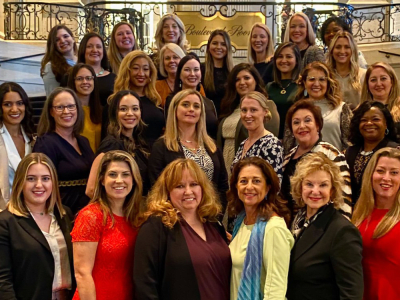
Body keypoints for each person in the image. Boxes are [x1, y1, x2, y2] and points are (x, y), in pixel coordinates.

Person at [134, 158, 231, 300]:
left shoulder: (214, 223)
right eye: (179, 186)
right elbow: (144, 284)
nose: (188, 191)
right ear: (167, 191)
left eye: (194, 184)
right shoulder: (155, 227)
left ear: (202, 188)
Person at [287, 152, 363, 300]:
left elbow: (352, 293)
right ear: (300, 187)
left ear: (332, 190)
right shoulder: (298, 221)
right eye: (309, 184)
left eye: (323, 185)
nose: (315, 191)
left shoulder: (343, 231)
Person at [0, 153, 75, 300]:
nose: (39, 185)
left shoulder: (64, 214)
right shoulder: (6, 222)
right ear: (20, 182)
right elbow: (3, 281)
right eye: (31, 178)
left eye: (45, 178)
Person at [72, 150, 142, 300]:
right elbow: (82, 273)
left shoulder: (137, 217)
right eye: (112, 174)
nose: (119, 180)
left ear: (134, 179)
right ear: (102, 180)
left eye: (125, 174)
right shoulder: (90, 216)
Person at [149, 89, 228, 211]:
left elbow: (222, 185)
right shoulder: (161, 146)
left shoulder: (211, 146)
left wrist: (215, 214)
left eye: (196, 106)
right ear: (175, 110)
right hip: (176, 217)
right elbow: (157, 187)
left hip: (210, 215)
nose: (191, 109)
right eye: (185, 105)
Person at [228, 157, 294, 300]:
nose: (249, 187)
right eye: (243, 181)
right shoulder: (241, 222)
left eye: (256, 181)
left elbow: (276, 291)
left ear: (268, 187)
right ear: (236, 187)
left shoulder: (274, 228)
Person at [282, 99, 352, 219]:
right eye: (296, 122)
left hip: (323, 227)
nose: (302, 126)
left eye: (307, 120)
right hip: (292, 227)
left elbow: (343, 201)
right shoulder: (288, 157)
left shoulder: (331, 154)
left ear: (318, 125)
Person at [33, 87, 94, 214]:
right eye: (60, 107)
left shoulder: (83, 141)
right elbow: (41, 185)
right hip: (62, 212)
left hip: (87, 211)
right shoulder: (46, 144)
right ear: (51, 111)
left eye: (71, 106)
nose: (66, 111)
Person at [352, 147, 400, 299]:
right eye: (380, 171)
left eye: (394, 172)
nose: (386, 178)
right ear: (371, 175)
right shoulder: (359, 214)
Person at [218, 63, 279, 176]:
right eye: (237, 79)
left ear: (255, 80)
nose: (242, 82)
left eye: (246, 78)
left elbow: (267, 140)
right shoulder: (231, 107)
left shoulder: (267, 105)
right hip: (228, 164)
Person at [86, 90, 149, 198]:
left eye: (135, 108)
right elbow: (91, 189)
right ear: (115, 113)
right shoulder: (111, 144)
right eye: (123, 109)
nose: (130, 113)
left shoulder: (139, 142)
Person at [284, 61, 352, 152]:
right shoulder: (295, 110)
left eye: (322, 79)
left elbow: (349, 145)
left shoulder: (341, 108)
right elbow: (288, 146)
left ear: (328, 82)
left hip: (333, 163)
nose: (316, 84)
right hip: (303, 163)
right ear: (304, 82)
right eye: (312, 79)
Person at [345, 101, 399, 204]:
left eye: (375, 119)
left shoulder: (395, 151)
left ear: (386, 123)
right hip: (354, 213)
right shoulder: (350, 153)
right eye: (363, 120)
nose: (369, 123)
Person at [112, 50, 164, 148]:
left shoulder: (155, 100)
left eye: (145, 69)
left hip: (156, 156)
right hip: (131, 155)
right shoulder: (116, 102)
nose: (141, 73)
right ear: (127, 71)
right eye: (136, 68)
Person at [231, 91, 283, 183]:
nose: (247, 115)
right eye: (244, 110)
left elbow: (275, 184)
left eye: (253, 110)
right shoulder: (243, 143)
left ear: (265, 112)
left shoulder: (271, 143)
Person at [165, 55, 218, 140]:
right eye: (187, 70)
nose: (192, 74)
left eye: (196, 70)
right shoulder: (172, 100)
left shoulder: (209, 103)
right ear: (179, 74)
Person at [0, 82, 35, 210]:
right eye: (7, 104)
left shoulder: (32, 138)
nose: (15, 109)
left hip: (30, 210)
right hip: (3, 212)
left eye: (19, 103)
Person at [267, 42, 301, 139]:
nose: (284, 60)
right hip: (272, 141)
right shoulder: (269, 87)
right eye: (280, 56)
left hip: (295, 140)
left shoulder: (302, 86)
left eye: (289, 57)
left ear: (297, 60)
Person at [326, 31, 366, 109]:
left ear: (353, 50)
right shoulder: (326, 76)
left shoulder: (363, 75)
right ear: (332, 51)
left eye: (347, 47)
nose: (342, 51)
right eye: (338, 47)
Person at [67, 63, 102, 152]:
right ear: (73, 82)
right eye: (79, 79)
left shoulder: (101, 111)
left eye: (88, 78)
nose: (85, 82)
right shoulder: (68, 113)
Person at [76, 32, 116, 107]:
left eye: (98, 47)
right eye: (89, 46)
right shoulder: (70, 76)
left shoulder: (114, 79)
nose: (94, 50)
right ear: (83, 49)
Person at [201, 30, 234, 114]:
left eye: (223, 44)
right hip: (206, 118)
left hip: (227, 119)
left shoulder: (233, 72)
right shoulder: (200, 69)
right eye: (215, 43)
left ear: (228, 48)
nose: (218, 47)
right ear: (208, 46)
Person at [41, 25, 77, 96]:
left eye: (65, 36)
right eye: (57, 40)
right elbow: (52, 97)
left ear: (73, 38)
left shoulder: (83, 60)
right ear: (53, 45)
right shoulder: (50, 67)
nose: (63, 41)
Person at [152, 13, 189, 77]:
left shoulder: (189, 57)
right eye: (166, 27)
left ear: (180, 31)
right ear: (161, 32)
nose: (170, 30)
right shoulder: (152, 60)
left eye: (174, 26)